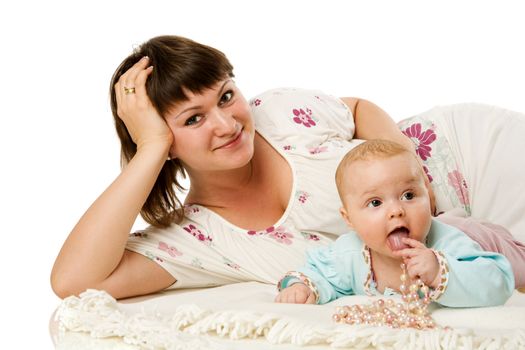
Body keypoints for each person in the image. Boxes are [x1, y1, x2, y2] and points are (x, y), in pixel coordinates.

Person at [50, 35, 525, 300]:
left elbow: (357, 108)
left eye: (226, 96)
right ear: (165, 142)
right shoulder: (198, 240)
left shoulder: (278, 112)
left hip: (466, 159)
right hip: (468, 254)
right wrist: (150, 147)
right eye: (193, 119)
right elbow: (72, 282)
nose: (226, 123)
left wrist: (413, 176)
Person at [275, 139, 515, 307]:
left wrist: (440, 271)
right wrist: (301, 287)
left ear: (427, 195)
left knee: (516, 261)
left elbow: (498, 283)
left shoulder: (448, 242)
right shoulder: (350, 254)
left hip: (471, 232)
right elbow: (318, 273)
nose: (396, 211)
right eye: (376, 203)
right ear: (349, 220)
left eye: (409, 196)